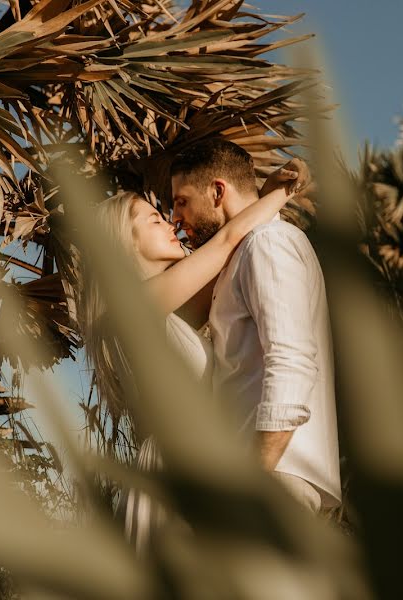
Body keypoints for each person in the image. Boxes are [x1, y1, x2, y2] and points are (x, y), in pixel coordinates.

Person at [82, 160, 309, 554]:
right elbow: (225, 244)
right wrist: (280, 193)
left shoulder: (164, 310)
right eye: (155, 220)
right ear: (124, 242)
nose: (172, 224)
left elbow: (229, 252)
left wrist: (256, 194)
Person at [171, 140, 341, 514]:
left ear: (217, 191)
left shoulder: (268, 243)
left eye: (181, 201)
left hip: (274, 479)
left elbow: (292, 361)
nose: (175, 217)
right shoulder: (245, 251)